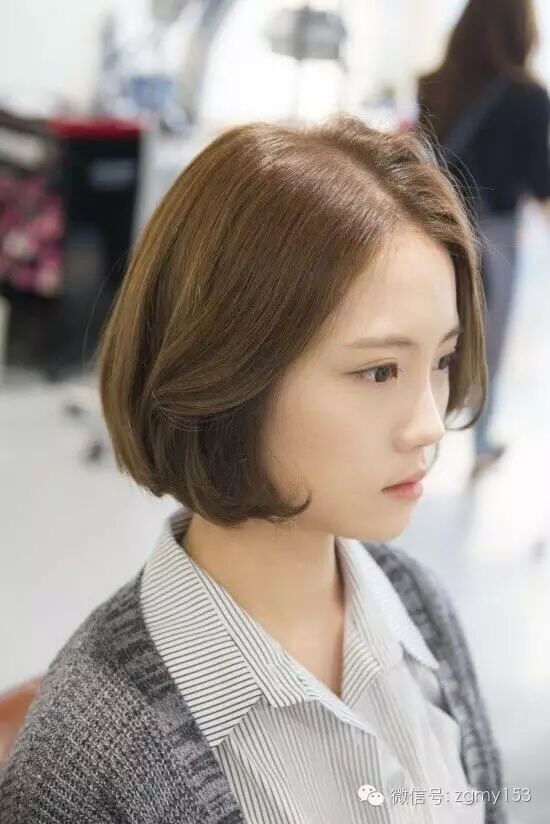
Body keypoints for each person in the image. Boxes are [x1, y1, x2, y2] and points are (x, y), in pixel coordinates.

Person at [0, 115, 507, 823]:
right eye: (379, 370)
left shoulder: (417, 607)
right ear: (227, 372)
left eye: (443, 360)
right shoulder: (90, 756)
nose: (428, 422)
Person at [417, 0, 550, 480]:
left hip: (434, 231)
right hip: (496, 237)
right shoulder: (529, 97)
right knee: (488, 345)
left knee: (429, 339)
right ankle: (480, 440)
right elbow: (540, 181)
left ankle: (417, 435)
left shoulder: (433, 85)